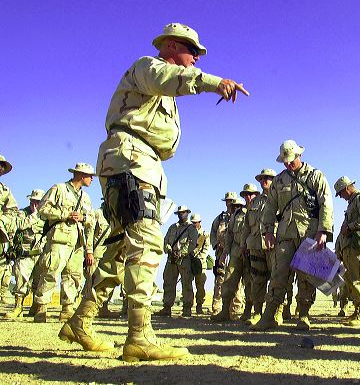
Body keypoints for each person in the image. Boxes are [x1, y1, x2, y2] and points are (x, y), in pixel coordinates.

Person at [58, 22, 249, 362]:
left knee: (120, 249)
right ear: (173, 46)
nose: (195, 60)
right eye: (193, 52)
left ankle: (80, 321)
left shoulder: (161, 92)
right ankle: (139, 337)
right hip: (131, 161)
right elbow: (174, 79)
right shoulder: (149, 67)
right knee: (146, 244)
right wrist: (214, 82)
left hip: (136, 163)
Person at [252, 140, 333, 331]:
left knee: (307, 276)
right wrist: (268, 231)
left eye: (291, 161)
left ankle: (303, 315)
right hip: (285, 234)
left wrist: (323, 231)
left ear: (299, 156)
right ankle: (270, 315)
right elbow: (270, 208)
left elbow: (326, 203)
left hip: (310, 233)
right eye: (285, 162)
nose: (288, 165)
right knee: (278, 274)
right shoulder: (279, 181)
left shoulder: (316, 176)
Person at [32, 163, 95, 323]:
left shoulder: (86, 197)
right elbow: (42, 209)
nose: (92, 179)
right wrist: (65, 214)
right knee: (50, 272)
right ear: (81, 175)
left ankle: (67, 308)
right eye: (90, 176)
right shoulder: (59, 189)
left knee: (73, 276)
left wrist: (83, 219)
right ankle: (41, 307)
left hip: (77, 242)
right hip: (59, 239)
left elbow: (91, 222)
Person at [211, 185, 256, 322]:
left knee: (250, 282)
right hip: (235, 252)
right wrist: (225, 252)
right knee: (229, 280)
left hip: (251, 251)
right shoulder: (237, 214)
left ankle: (247, 311)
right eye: (245, 194)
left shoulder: (258, 210)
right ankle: (225, 311)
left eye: (250, 194)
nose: (248, 197)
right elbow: (229, 234)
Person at [334, 176, 360, 327]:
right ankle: (358, 311)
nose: (341, 197)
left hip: (359, 248)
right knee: (352, 281)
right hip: (351, 249)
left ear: (347, 188)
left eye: (341, 194)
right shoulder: (352, 203)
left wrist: (350, 227)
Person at [242, 169, 278, 325]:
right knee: (257, 280)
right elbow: (246, 226)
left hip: (273, 245)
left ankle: (276, 313)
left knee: (277, 280)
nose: (265, 180)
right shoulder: (254, 203)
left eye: (268, 178)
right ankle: (257, 312)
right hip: (255, 245)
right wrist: (244, 243)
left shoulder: (280, 198)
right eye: (262, 178)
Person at [4, 189, 45, 319]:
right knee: (21, 281)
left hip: (40, 252)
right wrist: (34, 215)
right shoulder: (23, 213)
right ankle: (18, 307)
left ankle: (35, 307)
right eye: (34, 200)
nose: (36, 203)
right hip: (25, 253)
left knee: (38, 283)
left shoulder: (46, 215)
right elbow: (20, 226)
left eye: (38, 201)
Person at [157, 205, 199, 317]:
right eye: (179, 213)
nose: (181, 214)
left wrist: (181, 253)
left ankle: (187, 309)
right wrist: (170, 251)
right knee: (168, 282)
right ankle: (166, 307)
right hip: (171, 258)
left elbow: (193, 243)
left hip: (184, 259)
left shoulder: (191, 228)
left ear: (187, 213)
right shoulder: (172, 227)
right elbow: (165, 241)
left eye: (183, 212)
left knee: (186, 283)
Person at [209, 192, 243, 315]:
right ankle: (217, 308)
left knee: (236, 280)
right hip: (221, 252)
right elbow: (212, 233)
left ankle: (235, 308)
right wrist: (215, 245)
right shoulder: (219, 218)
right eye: (227, 201)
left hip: (236, 251)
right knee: (219, 280)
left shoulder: (241, 216)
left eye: (232, 201)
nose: (229, 203)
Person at [0, 155, 19, 304]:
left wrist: (2, 221)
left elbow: (11, 210)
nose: (0, 167)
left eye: (2, 165)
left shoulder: (5, 191)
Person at [190, 213, 211, 315]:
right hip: (189, 261)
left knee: (200, 285)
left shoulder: (204, 235)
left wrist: (197, 258)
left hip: (200, 263)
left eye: (195, 223)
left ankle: (199, 305)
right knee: (187, 284)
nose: (194, 224)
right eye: (192, 223)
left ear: (199, 222)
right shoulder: (188, 233)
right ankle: (188, 306)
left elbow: (206, 250)